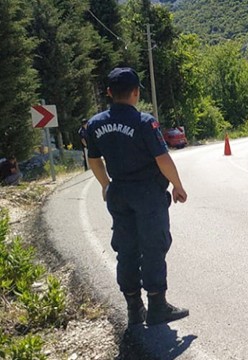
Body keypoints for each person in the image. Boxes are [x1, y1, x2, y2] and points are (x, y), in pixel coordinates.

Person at [86, 67, 189, 327]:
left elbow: (94, 159)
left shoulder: (95, 124)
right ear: (136, 92)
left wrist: (105, 185)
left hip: (119, 193)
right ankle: (157, 306)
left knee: (126, 249)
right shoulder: (144, 122)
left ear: (109, 93)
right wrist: (177, 185)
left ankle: (134, 308)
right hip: (147, 193)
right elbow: (162, 158)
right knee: (153, 246)